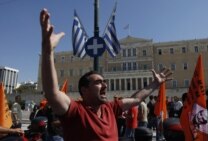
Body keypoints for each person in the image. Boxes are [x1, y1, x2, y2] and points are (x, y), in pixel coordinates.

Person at [40, 8, 173, 141]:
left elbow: (136, 99)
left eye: (104, 81)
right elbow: (52, 93)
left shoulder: (110, 108)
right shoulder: (75, 111)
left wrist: (155, 84)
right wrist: (48, 51)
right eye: (98, 82)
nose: (105, 84)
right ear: (84, 90)